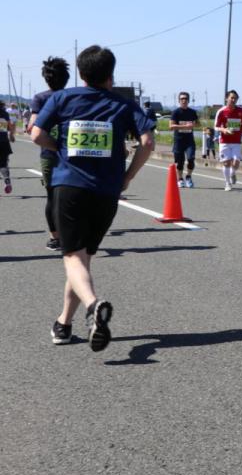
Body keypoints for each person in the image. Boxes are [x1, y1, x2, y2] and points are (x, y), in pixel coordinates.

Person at [31, 45, 156, 350]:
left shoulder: (63, 98)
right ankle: (63, 325)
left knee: (73, 257)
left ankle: (92, 306)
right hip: (107, 191)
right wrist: (128, 176)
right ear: (111, 75)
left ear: (81, 73)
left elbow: (35, 134)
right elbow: (148, 142)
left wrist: (58, 148)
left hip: (70, 186)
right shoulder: (123, 104)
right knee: (82, 258)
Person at [29, 57, 71, 250]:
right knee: (75, 193)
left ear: (46, 78)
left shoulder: (40, 98)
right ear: (67, 78)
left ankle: (55, 238)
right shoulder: (71, 97)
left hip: (49, 153)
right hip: (73, 154)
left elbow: (32, 127)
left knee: (52, 196)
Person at [214, 89, 242, 190]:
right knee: (226, 163)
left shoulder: (241, 111)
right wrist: (224, 130)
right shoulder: (221, 111)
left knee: (236, 162)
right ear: (226, 98)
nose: (233, 100)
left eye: (235, 98)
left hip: (237, 141)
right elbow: (216, 127)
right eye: (232, 98)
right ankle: (227, 183)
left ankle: (232, 173)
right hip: (224, 141)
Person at [168, 91, 198, 187]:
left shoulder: (192, 112)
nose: (184, 100)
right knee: (180, 162)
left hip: (189, 140)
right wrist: (185, 126)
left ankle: (188, 177)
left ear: (188, 100)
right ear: (179, 100)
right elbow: (171, 126)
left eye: (185, 99)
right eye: (182, 99)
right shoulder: (175, 112)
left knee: (191, 159)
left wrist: (193, 124)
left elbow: (197, 123)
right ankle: (180, 179)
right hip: (179, 140)